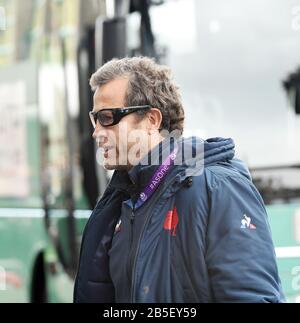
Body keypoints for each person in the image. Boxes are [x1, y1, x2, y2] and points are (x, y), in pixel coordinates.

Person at [73, 56, 284, 303]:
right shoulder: (121, 200)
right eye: (95, 118)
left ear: (152, 120)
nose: (97, 132)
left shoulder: (219, 187)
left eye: (108, 117)